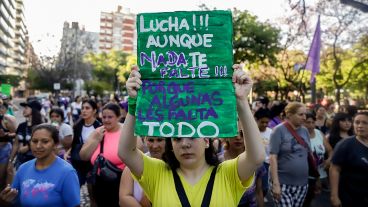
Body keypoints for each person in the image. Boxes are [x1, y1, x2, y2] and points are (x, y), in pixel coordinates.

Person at [118, 65, 265, 206]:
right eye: (177, 138)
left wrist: (242, 102)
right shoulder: (157, 174)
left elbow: (256, 156)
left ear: (207, 141)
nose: (185, 144)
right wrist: (133, 105)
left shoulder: (227, 174)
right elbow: (126, 153)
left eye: (193, 136)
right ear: (171, 145)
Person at [0, 124, 80, 207]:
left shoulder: (67, 172)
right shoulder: (23, 169)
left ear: (55, 144)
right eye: (34, 141)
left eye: (45, 141)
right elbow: (15, 201)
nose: (38, 146)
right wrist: (6, 200)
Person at [79, 103, 125, 207]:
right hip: (100, 182)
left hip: (120, 182)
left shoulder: (126, 132)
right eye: (104, 117)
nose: (106, 120)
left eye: (110, 117)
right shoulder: (98, 132)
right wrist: (96, 140)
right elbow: (83, 156)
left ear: (118, 117)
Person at [269, 102, 309, 207]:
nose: (304, 117)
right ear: (289, 115)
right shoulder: (278, 130)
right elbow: (273, 157)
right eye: (301, 114)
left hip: (302, 183)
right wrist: (276, 184)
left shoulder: (305, 131)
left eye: (305, 114)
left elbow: (308, 155)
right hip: (283, 183)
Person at [219, 129, 266, 207]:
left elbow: (258, 191)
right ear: (227, 136)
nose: (238, 137)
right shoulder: (217, 161)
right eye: (234, 133)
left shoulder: (256, 161)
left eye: (242, 134)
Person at [329, 112, 368, 207]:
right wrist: (334, 196)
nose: (360, 126)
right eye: (357, 122)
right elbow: (334, 169)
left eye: (364, 123)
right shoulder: (345, 144)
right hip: (350, 196)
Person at [68, 99, 101, 207]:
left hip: (93, 163)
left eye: (87, 108)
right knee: (74, 189)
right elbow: (75, 143)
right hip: (78, 162)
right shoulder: (78, 126)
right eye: (82, 108)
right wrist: (68, 152)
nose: (84, 111)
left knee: (93, 194)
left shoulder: (99, 126)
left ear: (94, 111)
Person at [119, 137, 166, 207]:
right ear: (145, 140)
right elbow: (123, 199)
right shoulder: (133, 163)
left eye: (159, 140)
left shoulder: (178, 164)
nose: (155, 146)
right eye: (151, 140)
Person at [302, 113, 332, 207]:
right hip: (307, 175)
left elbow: (330, 150)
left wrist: (329, 160)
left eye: (312, 122)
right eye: (308, 122)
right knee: (308, 201)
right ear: (303, 123)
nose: (310, 125)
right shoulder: (300, 135)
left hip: (322, 173)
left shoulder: (319, 133)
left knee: (322, 201)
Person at [14, 100, 44, 169]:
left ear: (33, 110)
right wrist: (10, 160)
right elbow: (16, 144)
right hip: (21, 162)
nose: (24, 110)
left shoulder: (41, 127)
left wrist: (27, 147)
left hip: (36, 162)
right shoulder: (22, 125)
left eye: (26, 108)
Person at [254, 108, 273, 201]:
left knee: (265, 186)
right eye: (262, 122)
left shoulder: (271, 132)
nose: (265, 124)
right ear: (256, 120)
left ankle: (261, 196)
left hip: (266, 163)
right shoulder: (251, 131)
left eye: (267, 122)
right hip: (253, 163)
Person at [0, 102, 17, 190]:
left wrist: (5, 135)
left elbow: (15, 134)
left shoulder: (6, 120)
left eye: (1, 108)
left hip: (3, 149)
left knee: (2, 176)